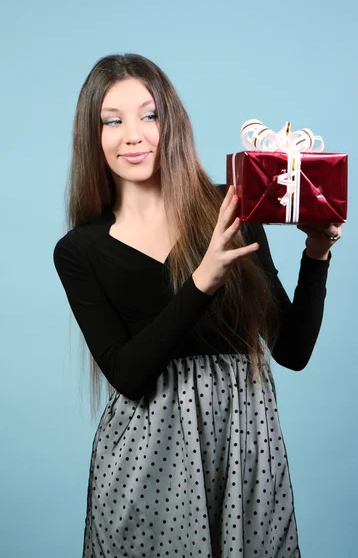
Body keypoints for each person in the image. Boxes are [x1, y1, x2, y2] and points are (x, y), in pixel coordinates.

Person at [53, 53, 342, 558]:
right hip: (147, 464)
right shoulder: (80, 250)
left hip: (245, 451)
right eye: (112, 121)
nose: (133, 135)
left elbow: (291, 350)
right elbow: (127, 373)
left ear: (172, 121)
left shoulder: (231, 208)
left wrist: (317, 253)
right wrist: (203, 279)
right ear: (92, 137)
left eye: (149, 115)